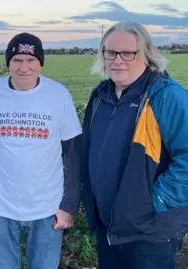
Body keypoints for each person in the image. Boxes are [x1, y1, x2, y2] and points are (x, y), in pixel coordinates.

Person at [0, 32, 83, 269]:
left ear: (40, 63)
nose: (24, 68)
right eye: (17, 60)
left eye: (31, 60)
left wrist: (68, 204)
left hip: (47, 207)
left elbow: (74, 154)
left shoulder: (58, 94)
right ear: (8, 63)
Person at [81, 21, 188, 269]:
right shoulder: (100, 97)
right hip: (109, 227)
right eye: (111, 52)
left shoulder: (166, 96)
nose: (118, 60)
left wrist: (156, 200)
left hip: (150, 232)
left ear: (146, 55)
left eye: (128, 53)